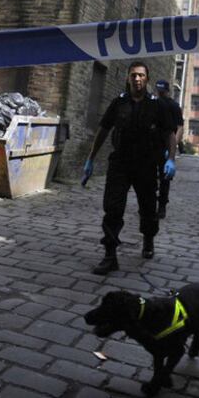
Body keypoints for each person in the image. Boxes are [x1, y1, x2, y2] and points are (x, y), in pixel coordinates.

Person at [83, 61, 176, 275]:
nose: (137, 79)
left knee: (148, 209)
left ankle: (149, 239)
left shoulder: (157, 105)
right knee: (113, 208)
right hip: (120, 164)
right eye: (133, 75)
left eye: (141, 75)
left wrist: (171, 158)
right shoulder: (119, 103)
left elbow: (169, 134)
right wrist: (90, 159)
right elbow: (104, 130)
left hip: (146, 164)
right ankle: (110, 255)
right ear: (128, 78)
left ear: (147, 79)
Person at [154, 79, 184, 219]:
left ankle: (162, 206)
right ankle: (149, 202)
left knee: (165, 177)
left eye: (162, 91)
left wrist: (173, 147)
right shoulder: (152, 103)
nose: (160, 93)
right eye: (158, 90)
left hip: (166, 144)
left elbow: (179, 128)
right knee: (148, 176)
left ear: (167, 91)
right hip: (152, 145)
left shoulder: (174, 106)